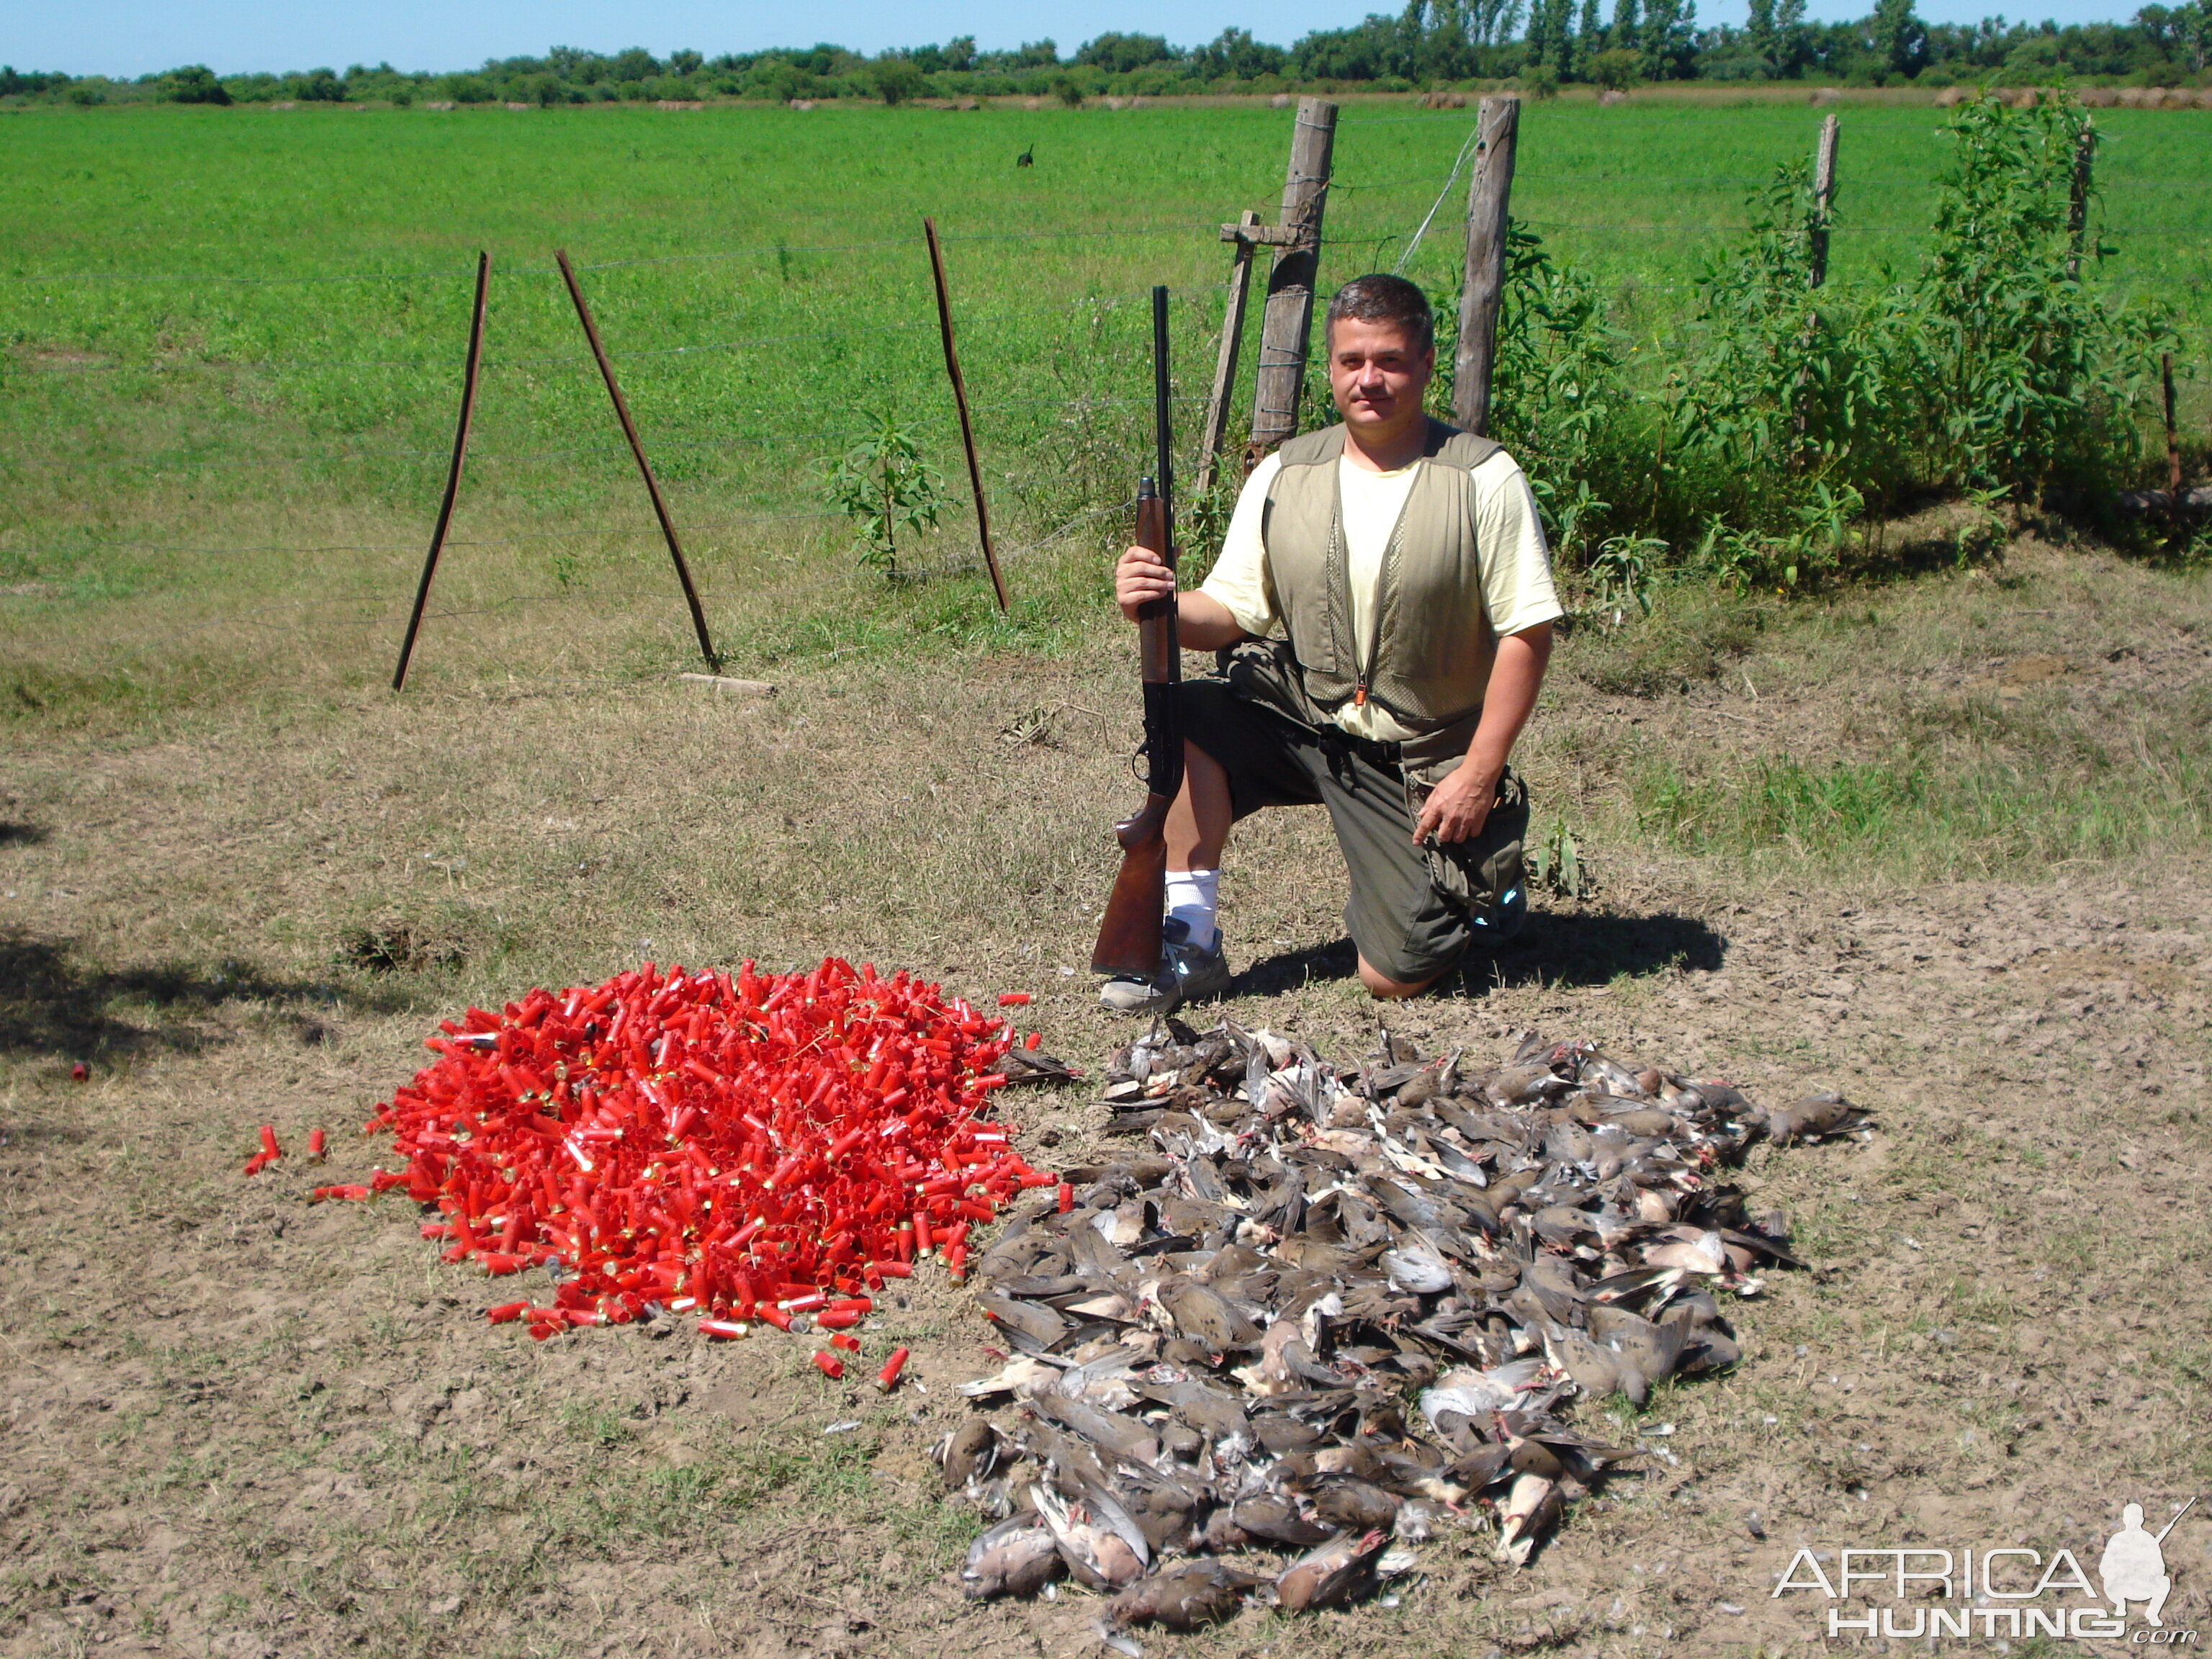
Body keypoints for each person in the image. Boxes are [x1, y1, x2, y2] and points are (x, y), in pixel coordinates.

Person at [1102, 271, 1561, 1016]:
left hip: (1418, 755)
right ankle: (1189, 941)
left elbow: (1527, 633)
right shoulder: (1287, 472)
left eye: (1389, 361)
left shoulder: (1483, 477)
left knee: (1399, 970)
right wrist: (1156, 607)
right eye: (1352, 362)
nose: (1369, 380)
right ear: (1330, 368)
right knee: (1185, 717)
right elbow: (1230, 612)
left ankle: (1473, 891)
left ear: (1426, 365)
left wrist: (1480, 772)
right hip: (1306, 714)